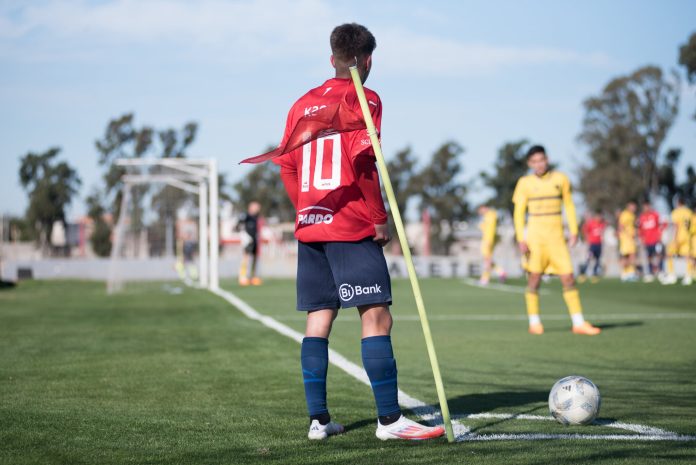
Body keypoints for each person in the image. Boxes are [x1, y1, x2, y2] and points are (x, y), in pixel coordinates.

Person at [272, 23, 444, 441]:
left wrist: (306, 209)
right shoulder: (365, 99)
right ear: (367, 61)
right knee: (377, 316)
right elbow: (365, 165)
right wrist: (378, 216)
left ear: (332, 58)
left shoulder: (300, 105)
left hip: (311, 227)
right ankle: (389, 421)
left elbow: (287, 166)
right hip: (351, 226)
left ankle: (319, 421)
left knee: (319, 319)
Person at [512, 145, 601, 336]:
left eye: (541, 160)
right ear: (529, 164)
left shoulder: (561, 179)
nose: (539, 164)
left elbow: (569, 205)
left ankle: (578, 322)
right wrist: (521, 238)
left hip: (557, 239)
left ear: (547, 159)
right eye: (534, 161)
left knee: (568, 277)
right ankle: (534, 322)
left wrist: (574, 230)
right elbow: (518, 213)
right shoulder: (524, 183)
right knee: (534, 279)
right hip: (535, 239)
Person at [663, 198, 693, 285]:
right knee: (687, 257)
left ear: (678, 203)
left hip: (678, 237)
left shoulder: (676, 212)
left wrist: (674, 238)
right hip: (687, 237)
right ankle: (688, 276)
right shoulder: (689, 212)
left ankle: (672, 275)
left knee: (669, 255)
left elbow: (676, 226)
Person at [477, 204, 506, 285]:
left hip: (488, 240)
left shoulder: (491, 215)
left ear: (484, 208)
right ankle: (501, 272)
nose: (480, 212)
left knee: (487, 260)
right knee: (487, 259)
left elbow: (491, 230)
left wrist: (489, 241)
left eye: (480, 210)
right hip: (487, 240)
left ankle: (485, 279)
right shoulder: (487, 216)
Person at [236, 201, 262, 286]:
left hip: (255, 239)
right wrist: (244, 237)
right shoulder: (246, 216)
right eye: (256, 206)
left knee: (255, 258)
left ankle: (253, 277)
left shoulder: (256, 217)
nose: (257, 208)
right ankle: (242, 277)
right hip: (248, 240)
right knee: (246, 257)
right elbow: (238, 225)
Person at [637, 201, 664, 283]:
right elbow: (640, 229)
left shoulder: (655, 215)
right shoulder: (641, 217)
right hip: (647, 241)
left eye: (647, 206)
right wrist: (641, 238)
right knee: (649, 256)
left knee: (658, 255)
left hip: (655, 240)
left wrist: (659, 236)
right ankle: (650, 272)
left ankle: (661, 271)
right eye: (644, 207)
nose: (646, 208)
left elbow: (661, 225)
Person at [578, 210, 606, 283]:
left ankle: (594, 275)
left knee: (597, 259)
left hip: (599, 245)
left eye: (600, 216)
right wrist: (587, 238)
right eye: (598, 216)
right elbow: (584, 230)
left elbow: (602, 233)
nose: (599, 218)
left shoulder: (602, 224)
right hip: (592, 245)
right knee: (588, 258)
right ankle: (583, 274)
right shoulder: (591, 223)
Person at [617, 202, 638, 282]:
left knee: (631, 256)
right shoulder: (625, 214)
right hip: (626, 239)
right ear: (628, 206)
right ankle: (625, 273)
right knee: (627, 256)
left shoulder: (632, 215)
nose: (634, 208)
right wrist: (626, 235)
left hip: (630, 239)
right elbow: (621, 226)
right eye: (633, 206)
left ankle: (629, 273)